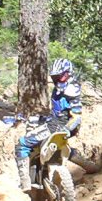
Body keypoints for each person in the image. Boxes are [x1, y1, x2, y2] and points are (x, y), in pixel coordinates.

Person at [14, 58, 94, 191]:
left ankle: (24, 183)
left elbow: (77, 116)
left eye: (60, 76)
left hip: (58, 127)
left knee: (22, 144)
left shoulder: (71, 90)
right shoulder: (61, 89)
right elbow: (57, 111)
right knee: (58, 146)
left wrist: (66, 129)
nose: (58, 80)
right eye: (55, 77)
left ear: (68, 74)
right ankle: (89, 166)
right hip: (56, 123)